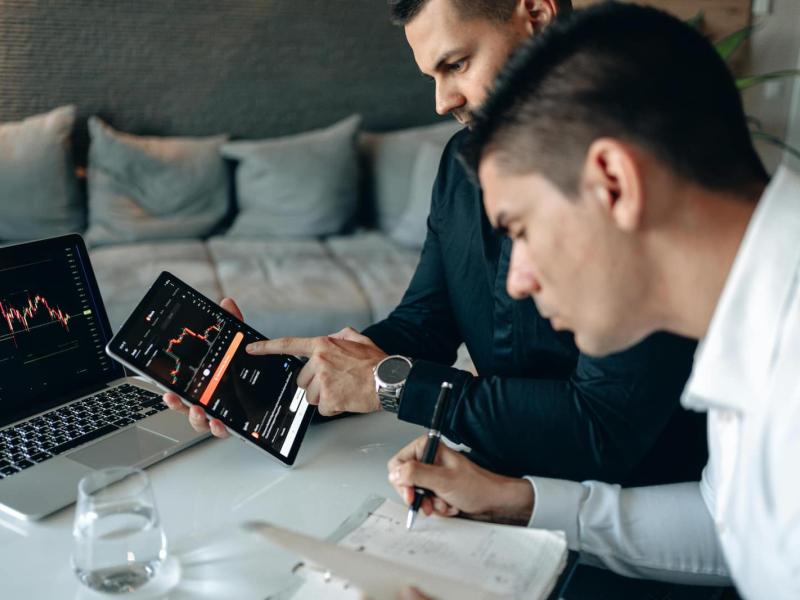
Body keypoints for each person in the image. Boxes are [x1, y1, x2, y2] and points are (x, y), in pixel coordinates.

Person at [165, 0, 706, 485]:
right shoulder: (459, 162)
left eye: (457, 64)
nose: (443, 101)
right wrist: (284, 388)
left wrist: (390, 384)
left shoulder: (627, 176)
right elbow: (423, 324)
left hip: (624, 517)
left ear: (536, 16)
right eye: (432, 75)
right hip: (485, 480)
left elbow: (602, 432)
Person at [388, 4, 799, 597]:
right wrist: (517, 501)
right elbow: (730, 522)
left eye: (522, 228)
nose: (517, 281)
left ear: (614, 182)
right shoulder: (756, 313)